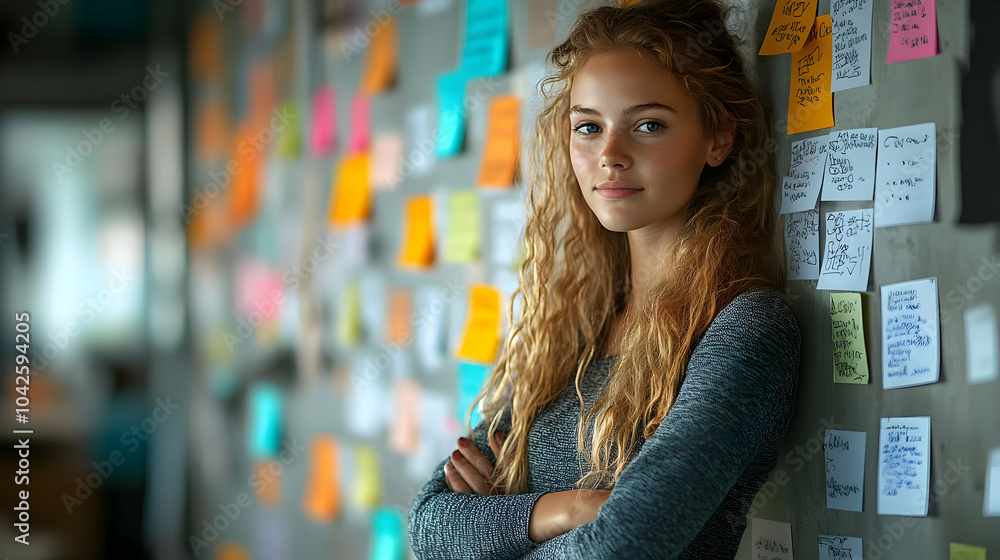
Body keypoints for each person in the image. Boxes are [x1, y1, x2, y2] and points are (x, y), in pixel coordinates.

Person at [407, 0, 801, 558]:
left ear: (717, 138)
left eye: (648, 125)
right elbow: (428, 527)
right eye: (588, 127)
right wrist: (564, 509)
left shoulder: (743, 329)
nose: (610, 155)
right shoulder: (573, 330)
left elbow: (621, 545)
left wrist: (498, 527)